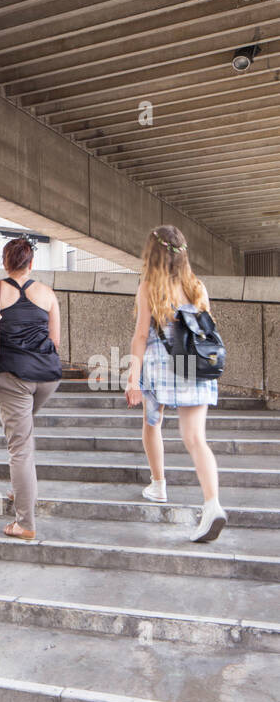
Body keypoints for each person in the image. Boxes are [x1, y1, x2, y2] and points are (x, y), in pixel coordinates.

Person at [124, 225, 225, 543]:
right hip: (194, 367)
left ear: (152, 254)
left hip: (160, 369)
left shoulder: (150, 287)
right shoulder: (197, 286)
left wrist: (133, 377)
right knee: (196, 439)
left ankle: (159, 484)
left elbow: (141, 335)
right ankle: (212, 505)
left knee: (152, 423)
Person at [0, 236, 62, 541]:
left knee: (20, 447)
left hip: (15, 377)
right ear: (31, 263)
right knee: (24, 435)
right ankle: (20, 489)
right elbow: (56, 341)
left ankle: (25, 524)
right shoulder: (48, 293)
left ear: (5, 262)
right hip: (48, 377)